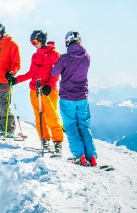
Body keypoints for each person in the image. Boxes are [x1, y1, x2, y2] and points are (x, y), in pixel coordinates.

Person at [51, 31, 97, 166]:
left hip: (67, 97)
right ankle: (92, 156)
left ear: (67, 42)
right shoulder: (86, 57)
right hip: (83, 97)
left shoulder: (65, 58)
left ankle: (79, 156)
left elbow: (54, 72)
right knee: (84, 125)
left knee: (71, 126)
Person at [16, 30, 64, 154]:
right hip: (34, 90)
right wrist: (16, 80)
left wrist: (50, 86)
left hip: (48, 91)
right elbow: (31, 73)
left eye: (34, 42)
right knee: (39, 117)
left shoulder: (54, 54)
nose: (33, 44)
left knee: (51, 116)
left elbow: (56, 72)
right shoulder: (35, 56)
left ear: (41, 40)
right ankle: (45, 139)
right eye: (32, 42)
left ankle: (57, 142)